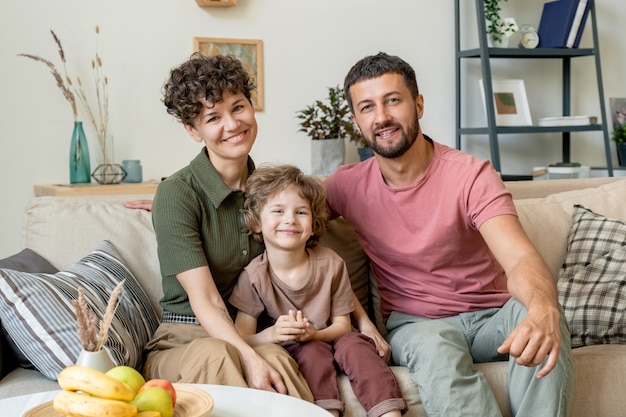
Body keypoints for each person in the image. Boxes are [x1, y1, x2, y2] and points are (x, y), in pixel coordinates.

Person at [323, 52, 574, 417]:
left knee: (541, 319)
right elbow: (282, 217)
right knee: (435, 349)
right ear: (356, 120)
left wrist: (543, 307)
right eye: (367, 107)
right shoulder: (345, 186)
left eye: (393, 100)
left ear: (418, 104)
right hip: (418, 325)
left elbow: (519, 257)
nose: (381, 117)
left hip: (493, 316)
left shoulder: (470, 176)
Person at [139, 52, 312, 400]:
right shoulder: (177, 192)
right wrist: (248, 356)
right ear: (192, 130)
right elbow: (204, 299)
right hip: (184, 340)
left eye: (238, 107)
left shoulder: (270, 192)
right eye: (213, 117)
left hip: (250, 334)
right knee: (221, 356)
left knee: (277, 360)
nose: (232, 124)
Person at [229, 164, 407, 417]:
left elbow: (343, 326)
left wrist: (314, 332)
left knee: (357, 347)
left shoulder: (330, 263)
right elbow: (242, 337)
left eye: (301, 212)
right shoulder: (254, 276)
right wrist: (272, 334)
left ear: (313, 226)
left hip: (338, 337)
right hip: (296, 347)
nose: (290, 219)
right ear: (256, 223)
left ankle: (389, 414)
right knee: (310, 353)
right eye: (278, 211)